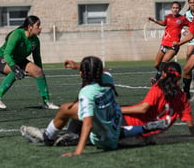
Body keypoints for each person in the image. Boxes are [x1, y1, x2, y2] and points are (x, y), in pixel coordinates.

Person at [20, 56, 169, 156]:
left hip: (103, 141)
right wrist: (79, 66)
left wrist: (78, 152)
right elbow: (103, 70)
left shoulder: (87, 92)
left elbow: (88, 123)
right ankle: (145, 128)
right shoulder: (107, 78)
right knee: (106, 123)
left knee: (65, 108)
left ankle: (49, 137)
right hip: (114, 127)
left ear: (83, 73)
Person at [0, 15, 59, 110]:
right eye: (38, 25)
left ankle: (46, 102)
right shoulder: (17, 34)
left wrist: (40, 73)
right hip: (2, 59)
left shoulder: (35, 40)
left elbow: (37, 58)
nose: (40, 27)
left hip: (19, 61)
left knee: (38, 71)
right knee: (17, 71)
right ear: (30, 27)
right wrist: (14, 68)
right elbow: (7, 54)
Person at [121, 61, 194, 137]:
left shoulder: (158, 88)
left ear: (163, 74)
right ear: (179, 77)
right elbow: (189, 122)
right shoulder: (182, 98)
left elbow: (143, 109)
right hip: (147, 134)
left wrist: (117, 109)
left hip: (130, 123)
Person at [148, 1, 189, 83]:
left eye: (177, 8)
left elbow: (191, 26)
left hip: (174, 45)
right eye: (174, 8)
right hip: (164, 44)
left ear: (180, 9)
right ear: (171, 9)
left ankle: (157, 80)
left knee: (164, 61)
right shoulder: (168, 17)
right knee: (156, 64)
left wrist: (186, 31)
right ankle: (168, 75)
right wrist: (155, 20)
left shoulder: (182, 19)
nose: (175, 9)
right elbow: (163, 23)